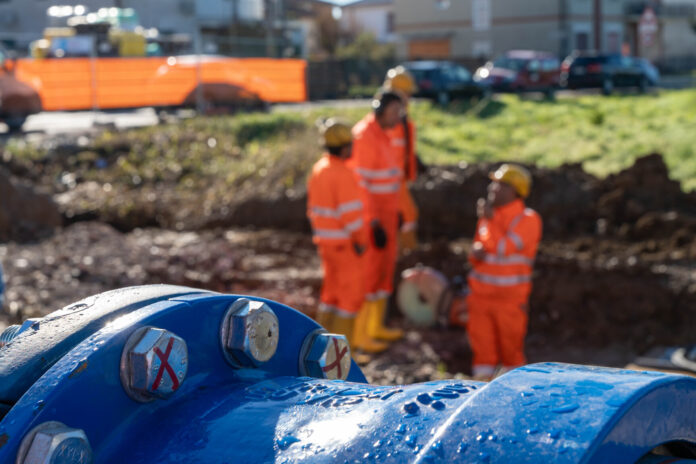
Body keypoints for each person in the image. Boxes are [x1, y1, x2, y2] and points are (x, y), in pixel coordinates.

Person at [465, 164, 542, 381]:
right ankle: (480, 394)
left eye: (500, 184)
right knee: (482, 356)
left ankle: (517, 400)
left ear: (514, 191)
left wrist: (490, 222)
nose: (492, 188)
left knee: (512, 357)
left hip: (509, 301)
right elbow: (477, 254)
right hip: (480, 298)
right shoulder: (489, 217)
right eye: (494, 183)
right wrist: (475, 253)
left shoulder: (528, 219)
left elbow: (502, 249)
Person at [350, 90, 405, 352]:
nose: (399, 117)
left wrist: (398, 212)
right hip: (374, 219)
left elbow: (389, 179)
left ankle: (375, 328)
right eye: (395, 111)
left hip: (388, 213)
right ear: (380, 110)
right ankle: (360, 336)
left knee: (384, 273)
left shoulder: (385, 135)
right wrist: (372, 222)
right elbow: (361, 185)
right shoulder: (365, 136)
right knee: (369, 275)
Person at [307, 119, 368, 345]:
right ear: (344, 148)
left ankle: (321, 347)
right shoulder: (342, 173)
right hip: (344, 245)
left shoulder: (319, 168)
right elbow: (350, 215)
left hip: (325, 243)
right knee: (349, 300)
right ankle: (343, 353)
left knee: (330, 296)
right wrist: (361, 240)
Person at [383, 66, 420, 253]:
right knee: (407, 216)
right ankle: (404, 253)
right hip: (388, 183)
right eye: (407, 94)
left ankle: (403, 252)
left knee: (407, 216)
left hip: (398, 181)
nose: (409, 99)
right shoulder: (386, 120)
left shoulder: (402, 118)